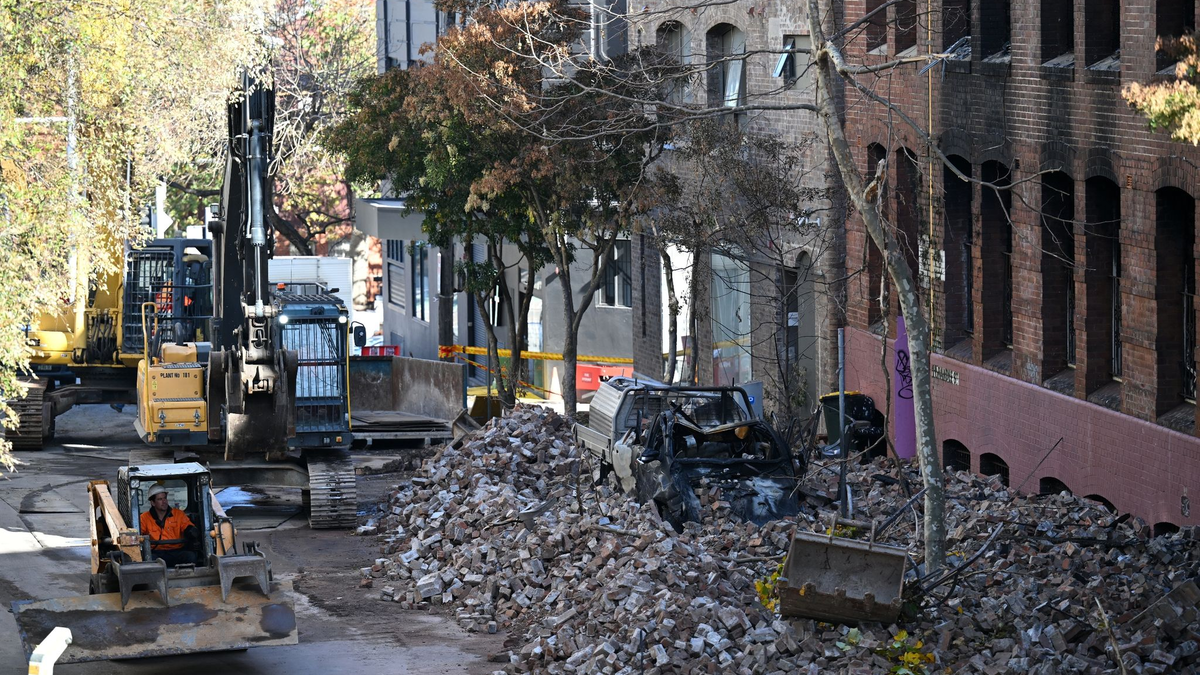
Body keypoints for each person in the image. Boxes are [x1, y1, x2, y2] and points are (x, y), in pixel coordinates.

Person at [139, 484, 199, 567]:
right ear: (153, 503)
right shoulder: (144, 518)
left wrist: (191, 531)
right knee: (149, 560)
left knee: (190, 557)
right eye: (160, 499)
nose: (164, 501)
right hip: (156, 553)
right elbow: (138, 535)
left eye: (165, 498)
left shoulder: (178, 514)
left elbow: (187, 525)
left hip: (177, 551)